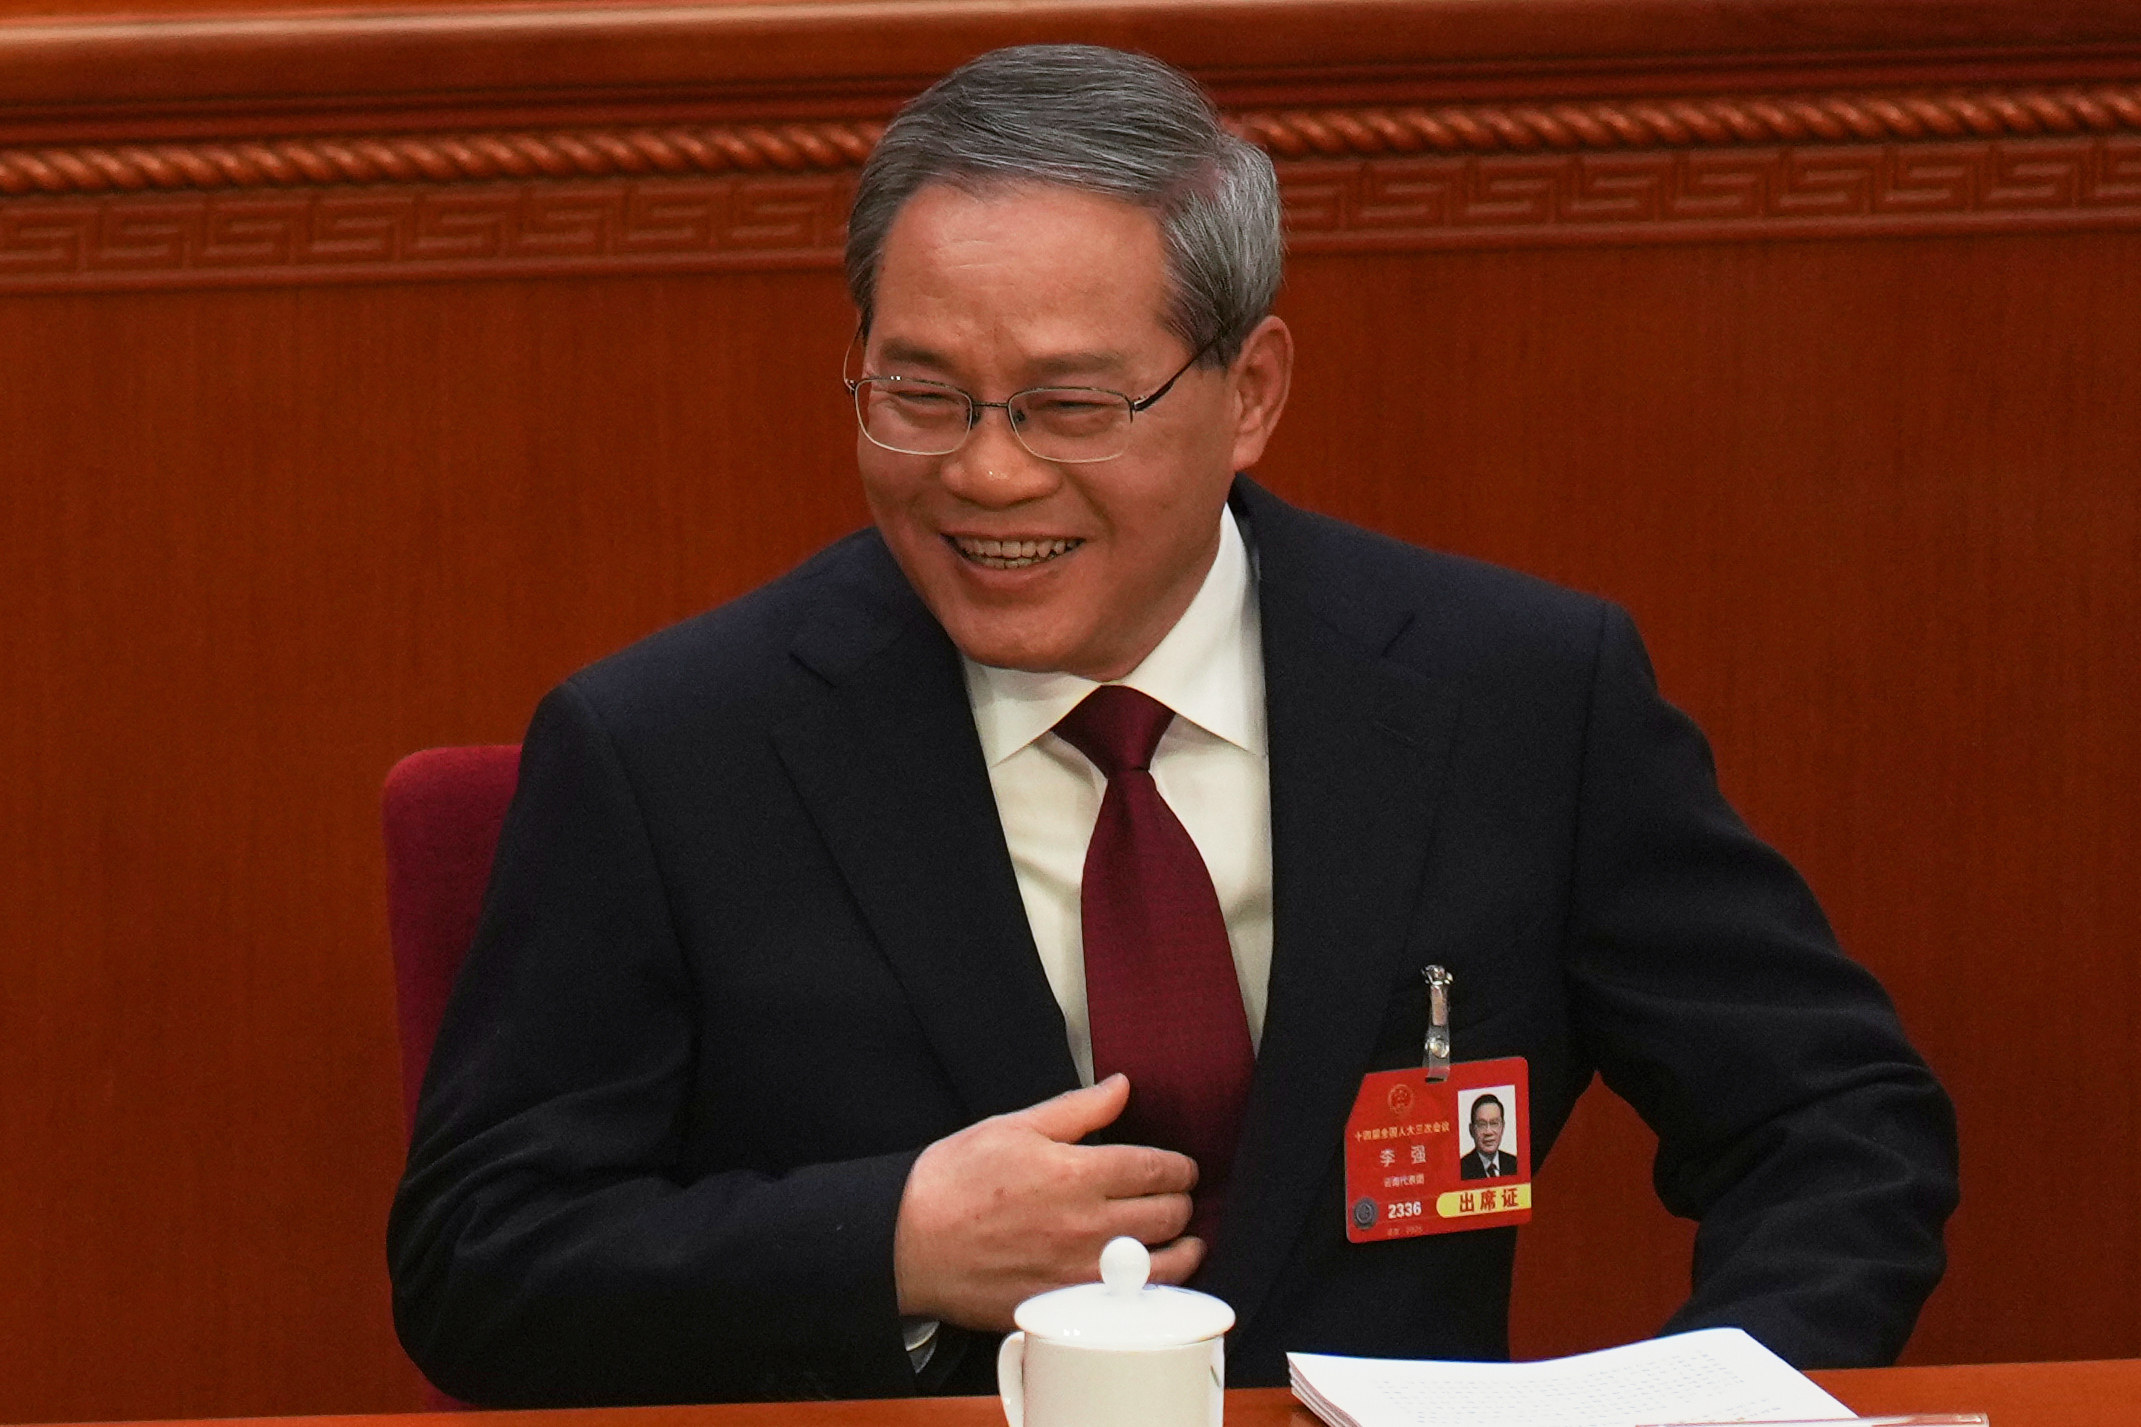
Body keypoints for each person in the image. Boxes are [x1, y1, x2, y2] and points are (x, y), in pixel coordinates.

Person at [387, 43, 1959, 1408]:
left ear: (1249, 388)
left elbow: (1834, 1121)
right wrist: (894, 1241)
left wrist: (1711, 1398)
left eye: (1071, 404)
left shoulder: (1519, 695)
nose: (987, 475)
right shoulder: (672, 749)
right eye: (919, 394)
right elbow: (481, 1262)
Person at [1459, 1096, 1516, 1181]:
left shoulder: (1515, 1164)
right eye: (1481, 1124)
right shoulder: (1461, 1169)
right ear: (1471, 1130)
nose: (1488, 1132)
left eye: (1494, 1123)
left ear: (1503, 1127)